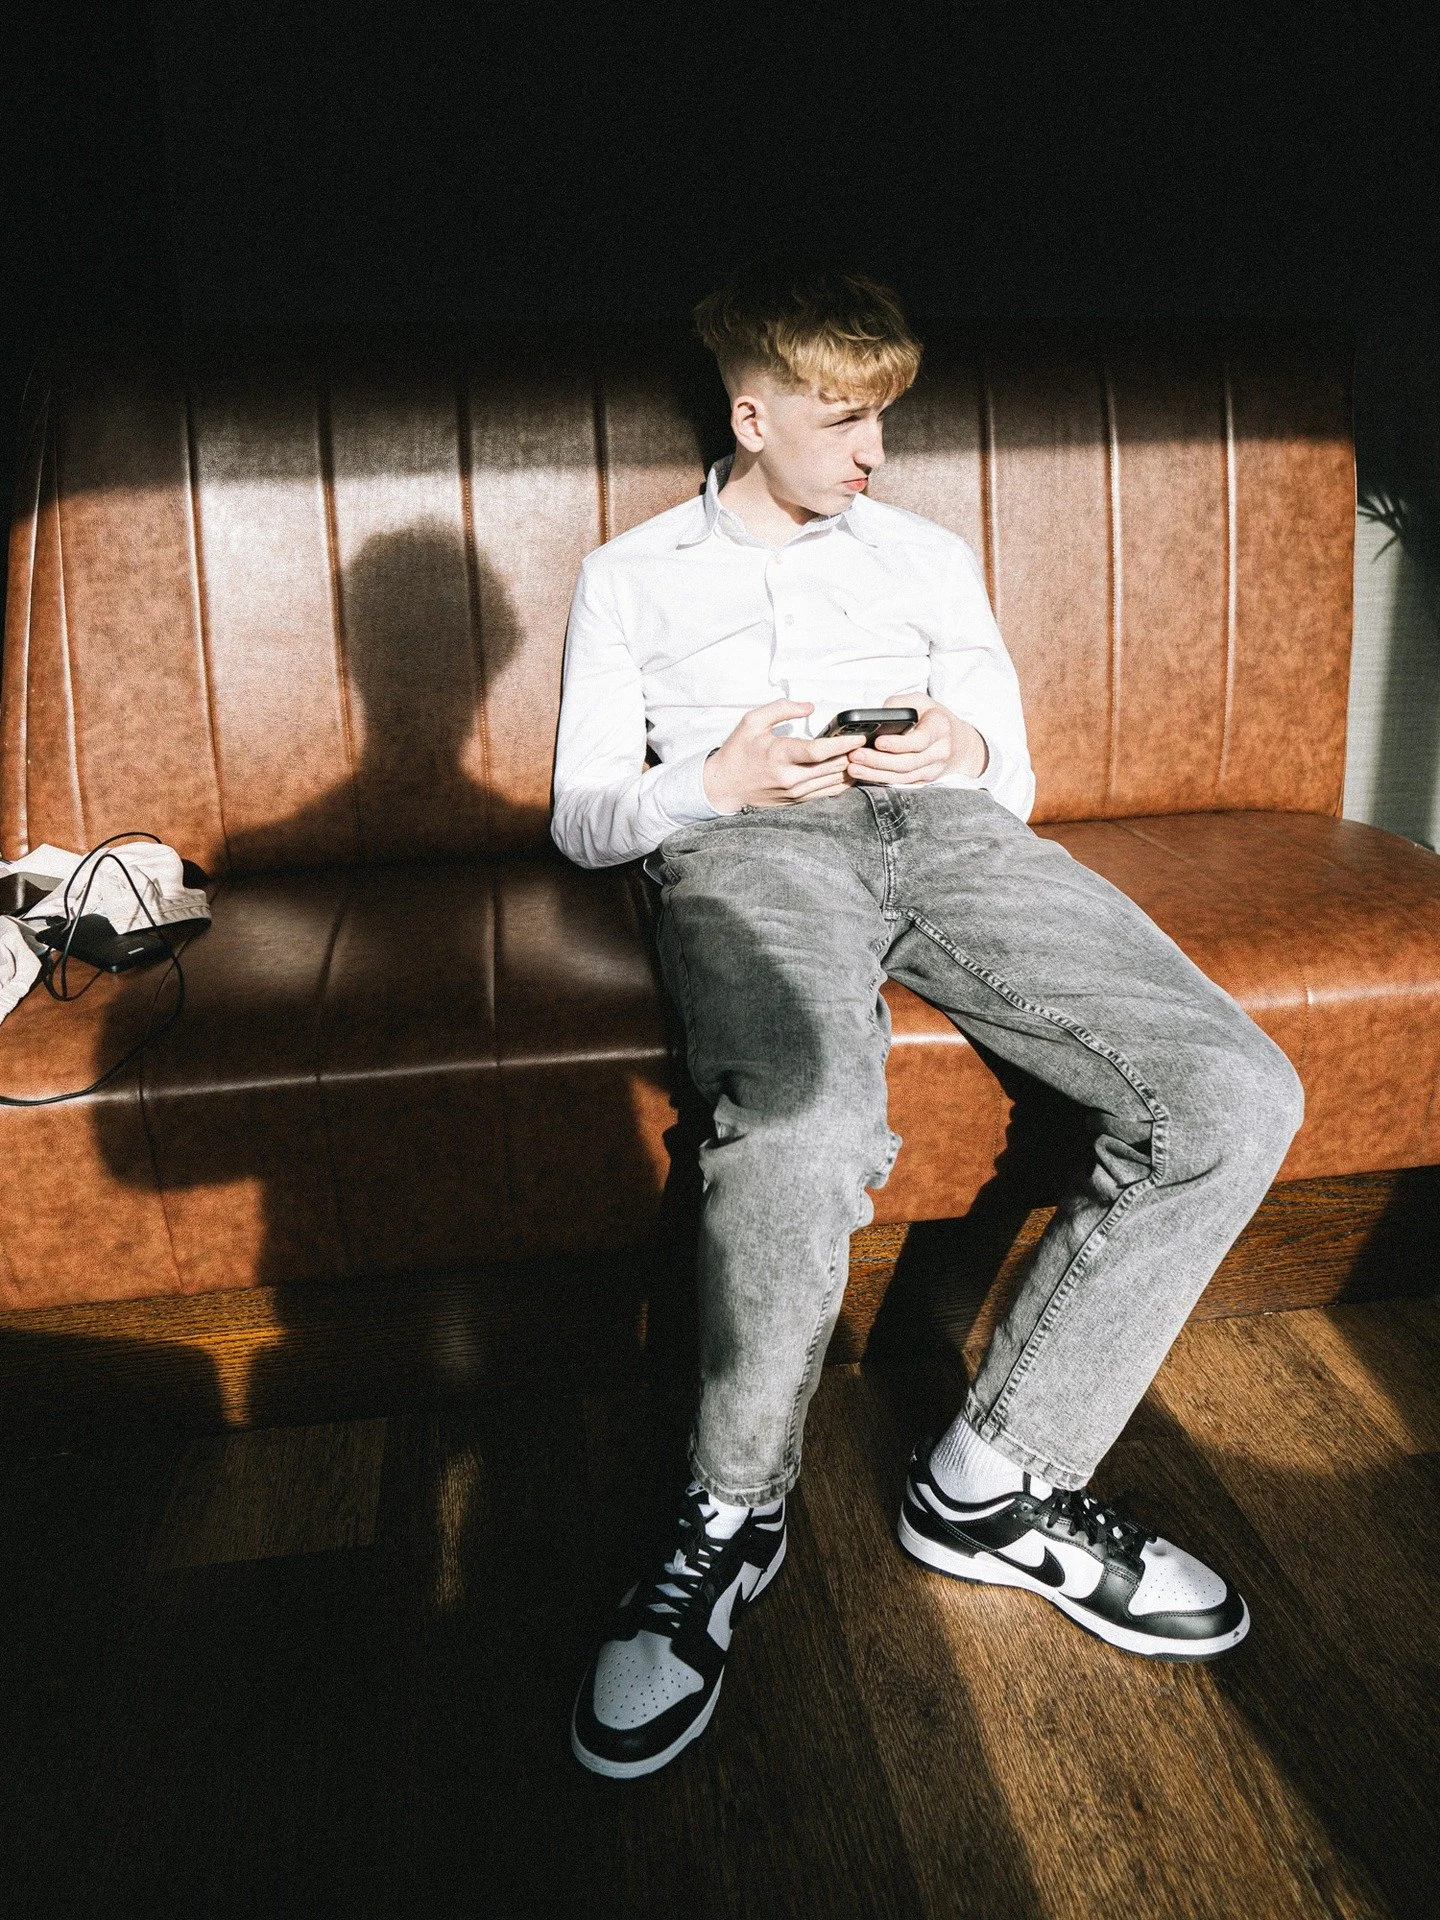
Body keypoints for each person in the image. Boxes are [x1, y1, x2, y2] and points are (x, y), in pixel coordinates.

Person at [552, 259, 1304, 1779]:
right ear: (751, 413)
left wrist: (957, 743)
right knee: (810, 1125)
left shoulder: (922, 554)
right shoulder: (631, 574)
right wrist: (722, 781)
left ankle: (1000, 1481)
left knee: (1234, 1090)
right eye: (841, 421)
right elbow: (582, 815)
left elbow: (1008, 768)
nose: (872, 453)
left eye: (884, 418)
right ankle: (729, 1514)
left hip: (953, 836)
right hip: (745, 847)